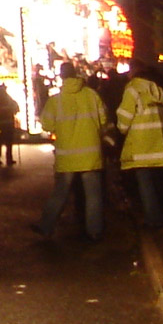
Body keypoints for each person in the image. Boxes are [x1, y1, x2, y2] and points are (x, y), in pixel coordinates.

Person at [34, 61, 107, 242]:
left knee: (60, 193)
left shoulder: (56, 101)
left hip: (67, 156)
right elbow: (104, 119)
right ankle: (95, 231)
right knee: (93, 195)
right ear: (76, 74)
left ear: (61, 76)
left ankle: (46, 226)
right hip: (91, 153)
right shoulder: (92, 95)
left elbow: (47, 124)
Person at [113, 61, 163, 229]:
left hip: (141, 145)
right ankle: (158, 215)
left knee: (145, 184)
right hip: (158, 144)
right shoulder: (156, 89)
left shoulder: (132, 89)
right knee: (156, 183)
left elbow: (124, 118)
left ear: (132, 72)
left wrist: (120, 130)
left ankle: (152, 219)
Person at [0, 82, 21, 166]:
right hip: (8, 123)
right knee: (9, 142)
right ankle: (9, 159)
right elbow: (16, 109)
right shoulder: (9, 99)